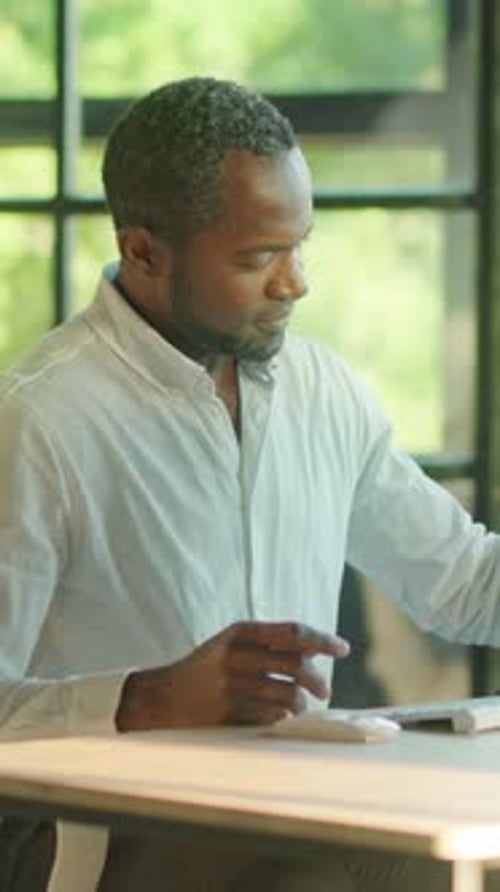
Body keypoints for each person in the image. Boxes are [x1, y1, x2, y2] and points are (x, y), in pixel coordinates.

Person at [1, 76, 500, 891]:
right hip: (101, 831)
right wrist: (146, 700)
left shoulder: (321, 391)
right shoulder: (36, 422)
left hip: (297, 805)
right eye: (258, 256)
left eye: (300, 245)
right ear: (143, 251)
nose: (294, 281)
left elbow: (466, 582)